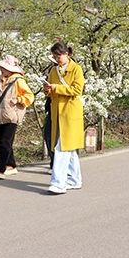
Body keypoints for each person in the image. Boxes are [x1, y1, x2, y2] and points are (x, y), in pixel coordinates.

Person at [43, 41, 85, 194]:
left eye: (58, 56)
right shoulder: (54, 71)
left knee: (61, 148)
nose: (56, 59)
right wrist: (47, 89)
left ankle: (58, 183)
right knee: (69, 149)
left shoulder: (77, 69)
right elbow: (50, 92)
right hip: (57, 112)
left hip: (70, 112)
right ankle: (74, 179)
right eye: (54, 56)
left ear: (67, 54)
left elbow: (77, 89)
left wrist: (57, 88)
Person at [0, 55, 34, 179]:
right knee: (3, 142)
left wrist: (18, 99)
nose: (1, 69)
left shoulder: (19, 81)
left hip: (12, 116)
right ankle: (11, 165)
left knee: (5, 142)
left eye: (4, 67)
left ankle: (0, 168)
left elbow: (29, 96)